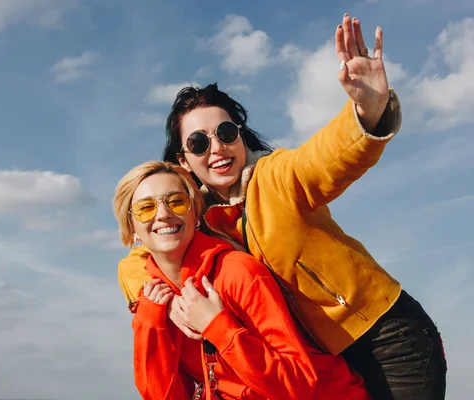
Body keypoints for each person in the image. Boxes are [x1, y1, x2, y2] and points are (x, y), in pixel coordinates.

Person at [118, 14, 447, 399]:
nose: (217, 148)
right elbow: (137, 260)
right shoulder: (193, 219)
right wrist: (165, 300)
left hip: (386, 339)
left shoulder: (275, 177)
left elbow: (325, 158)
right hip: (320, 361)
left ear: (241, 137)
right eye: (199, 143)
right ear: (183, 161)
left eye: (226, 133)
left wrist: (367, 110)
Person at [113, 161, 370, 400]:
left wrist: (218, 326)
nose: (163, 214)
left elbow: (298, 384)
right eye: (146, 208)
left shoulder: (239, 271)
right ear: (132, 227)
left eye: (177, 202)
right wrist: (150, 325)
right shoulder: (155, 299)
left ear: (196, 215)